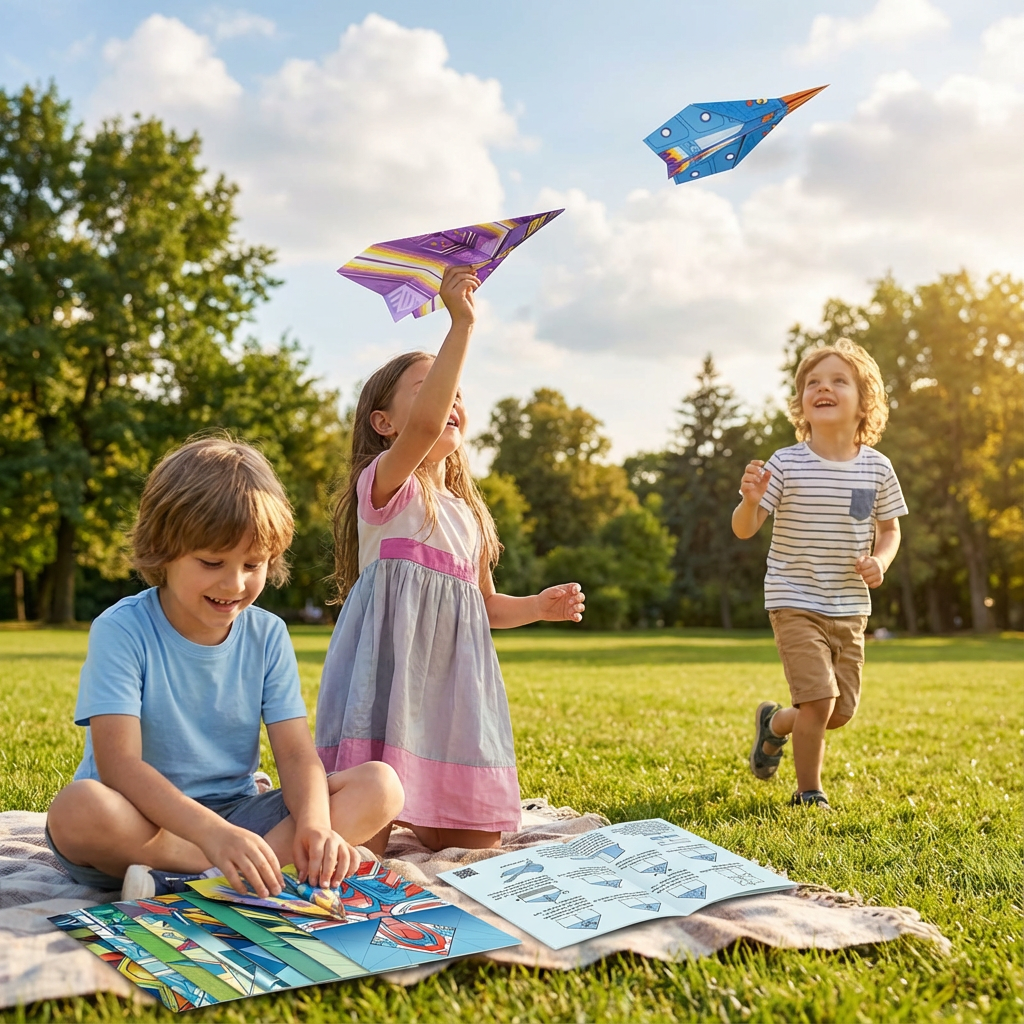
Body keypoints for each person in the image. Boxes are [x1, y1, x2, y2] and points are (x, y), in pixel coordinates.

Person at [46, 437, 404, 899]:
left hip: (237, 814)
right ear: (163, 548)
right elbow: (119, 766)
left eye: (253, 564)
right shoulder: (122, 629)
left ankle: (196, 883)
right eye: (212, 562)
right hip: (142, 823)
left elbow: (296, 755)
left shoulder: (268, 635)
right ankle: (220, 870)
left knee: (382, 785)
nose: (234, 583)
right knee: (78, 809)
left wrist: (314, 826)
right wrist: (214, 839)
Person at [316, 265, 586, 852]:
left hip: (450, 697)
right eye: (436, 383)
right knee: (361, 845)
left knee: (476, 840)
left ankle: (431, 801)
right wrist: (461, 323)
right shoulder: (387, 486)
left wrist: (538, 606)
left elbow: (485, 605)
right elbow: (426, 426)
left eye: (457, 390)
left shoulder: (467, 515)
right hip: (386, 691)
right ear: (383, 423)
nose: (451, 397)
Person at [732, 340, 908, 809]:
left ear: (864, 402)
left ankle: (773, 725)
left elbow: (889, 530)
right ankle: (810, 793)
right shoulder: (786, 463)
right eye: (813, 382)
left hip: (849, 606)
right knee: (819, 702)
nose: (822, 387)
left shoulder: (877, 468)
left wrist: (881, 561)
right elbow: (745, 529)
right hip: (793, 599)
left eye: (837, 381)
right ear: (802, 403)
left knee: (838, 711)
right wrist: (750, 501)